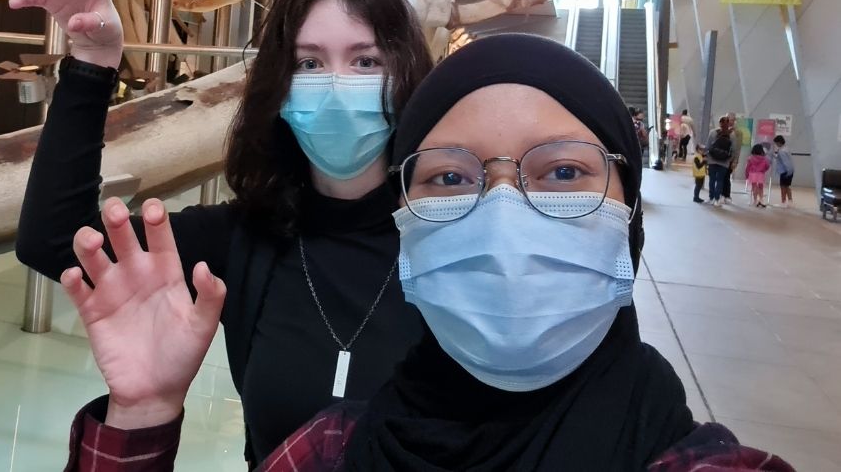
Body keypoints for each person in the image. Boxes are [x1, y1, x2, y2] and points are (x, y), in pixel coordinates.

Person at [60, 35, 792, 471]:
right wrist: (142, 416)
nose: (503, 216)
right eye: (449, 178)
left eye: (564, 171)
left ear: (628, 210)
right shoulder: (328, 452)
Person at [10, 0, 432, 466]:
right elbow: (55, 240)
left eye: (366, 61)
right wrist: (93, 65)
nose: (335, 86)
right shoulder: (245, 239)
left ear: (405, 77)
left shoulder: (449, 240)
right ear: (280, 87)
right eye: (309, 64)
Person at [705, 118, 735, 207]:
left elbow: (708, 146)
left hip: (712, 160)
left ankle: (711, 198)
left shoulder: (712, 132)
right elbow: (733, 150)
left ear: (719, 123)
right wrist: (730, 160)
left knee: (712, 180)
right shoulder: (732, 135)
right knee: (720, 180)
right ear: (728, 124)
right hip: (724, 162)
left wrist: (707, 157)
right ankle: (717, 200)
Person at [772, 135, 795, 206]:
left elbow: (785, 162)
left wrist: (788, 172)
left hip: (785, 171)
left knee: (783, 187)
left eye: (776, 143)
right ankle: (790, 201)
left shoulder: (781, 151)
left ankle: (783, 202)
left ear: (779, 142)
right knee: (787, 186)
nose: (776, 144)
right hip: (790, 170)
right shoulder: (786, 148)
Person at [745, 144, 770, 208]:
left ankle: (755, 200)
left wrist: (746, 174)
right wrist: (763, 170)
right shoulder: (764, 158)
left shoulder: (750, 158)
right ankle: (761, 200)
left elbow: (747, 167)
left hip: (752, 174)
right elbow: (767, 166)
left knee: (754, 187)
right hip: (761, 174)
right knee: (761, 187)